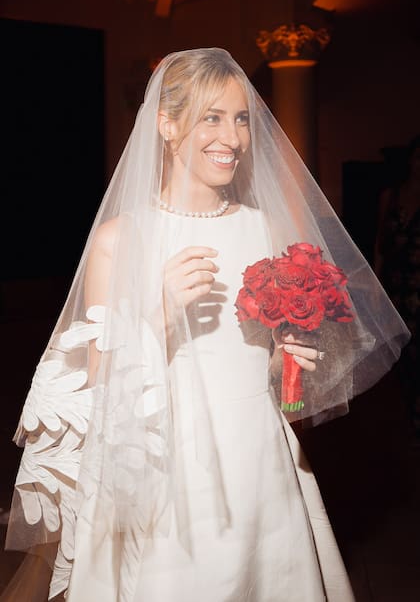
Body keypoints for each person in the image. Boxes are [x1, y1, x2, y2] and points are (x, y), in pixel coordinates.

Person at [2, 48, 409, 601]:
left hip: (262, 468)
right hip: (166, 483)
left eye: (241, 119)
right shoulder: (119, 239)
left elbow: (281, 397)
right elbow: (97, 399)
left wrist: (285, 363)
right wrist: (159, 317)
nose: (233, 137)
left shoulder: (262, 228)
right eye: (211, 117)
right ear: (166, 125)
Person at [375, 135, 420, 443]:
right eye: (417, 156)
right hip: (395, 285)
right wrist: (377, 285)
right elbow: (380, 242)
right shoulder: (390, 196)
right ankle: (408, 413)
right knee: (400, 354)